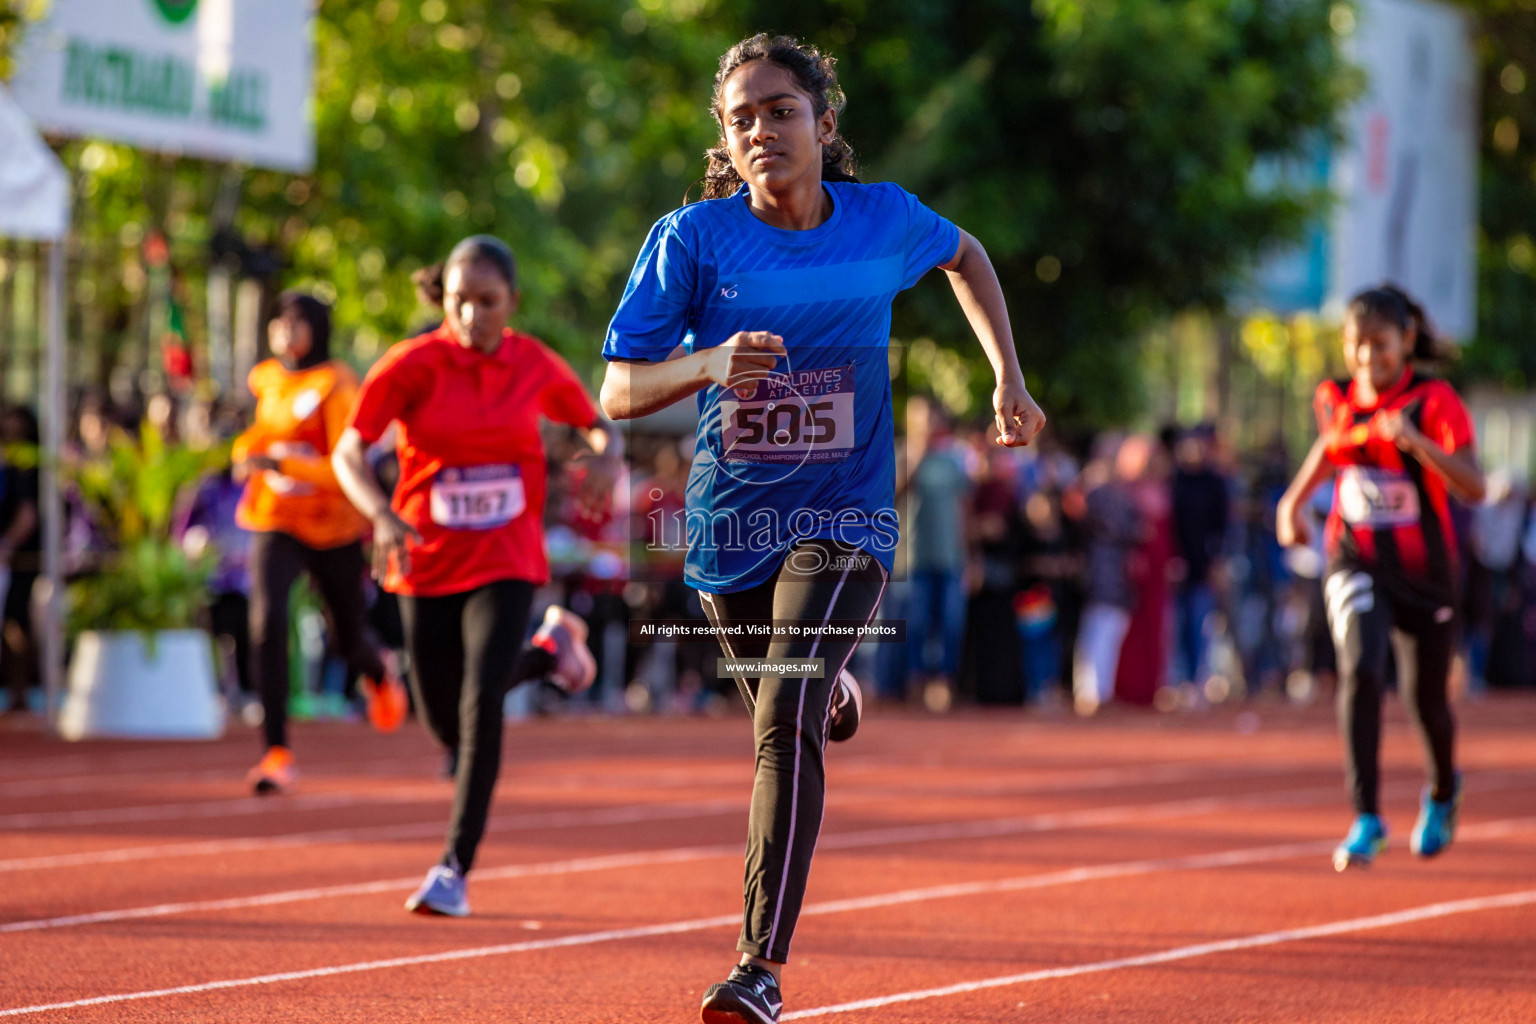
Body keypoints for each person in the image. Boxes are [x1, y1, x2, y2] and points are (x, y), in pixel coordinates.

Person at [598, 34, 1045, 1024]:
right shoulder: (694, 241)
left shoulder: (883, 219)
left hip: (845, 518)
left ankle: (757, 963)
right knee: (784, 700)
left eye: (782, 108)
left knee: (782, 721)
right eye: (743, 115)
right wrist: (708, 364)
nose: (763, 128)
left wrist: (1006, 376)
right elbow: (619, 387)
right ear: (725, 134)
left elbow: (965, 254)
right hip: (727, 534)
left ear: (824, 124)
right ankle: (833, 675)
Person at [331, 235, 611, 917]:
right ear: (442, 299)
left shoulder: (533, 363)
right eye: (461, 302)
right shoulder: (411, 366)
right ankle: (548, 654)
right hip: (423, 561)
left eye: (488, 303)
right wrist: (381, 515)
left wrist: (608, 453)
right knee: (443, 716)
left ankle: (453, 867)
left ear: (511, 302)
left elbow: (594, 423)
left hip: (506, 559)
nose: (473, 316)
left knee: (481, 700)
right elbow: (347, 453)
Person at [1276, 284, 1485, 871]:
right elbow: (1331, 448)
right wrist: (1292, 503)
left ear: (1407, 341)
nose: (1369, 358)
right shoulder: (1333, 396)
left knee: (1426, 704)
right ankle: (1366, 816)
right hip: (1354, 556)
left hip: (1425, 573)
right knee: (1361, 669)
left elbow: (1476, 485)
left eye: (1381, 345)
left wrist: (1416, 444)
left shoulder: (1434, 400)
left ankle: (1444, 790)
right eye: (1357, 345)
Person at [233, 292, 409, 793]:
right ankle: (275, 752)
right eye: (280, 323)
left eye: (297, 323)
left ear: (318, 328)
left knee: (345, 638)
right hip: (275, 519)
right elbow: (261, 436)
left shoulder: (338, 384)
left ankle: (377, 669)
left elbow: (342, 466)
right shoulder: (266, 378)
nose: (286, 332)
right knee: (266, 621)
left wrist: (280, 464)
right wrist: (246, 453)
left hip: (333, 526)